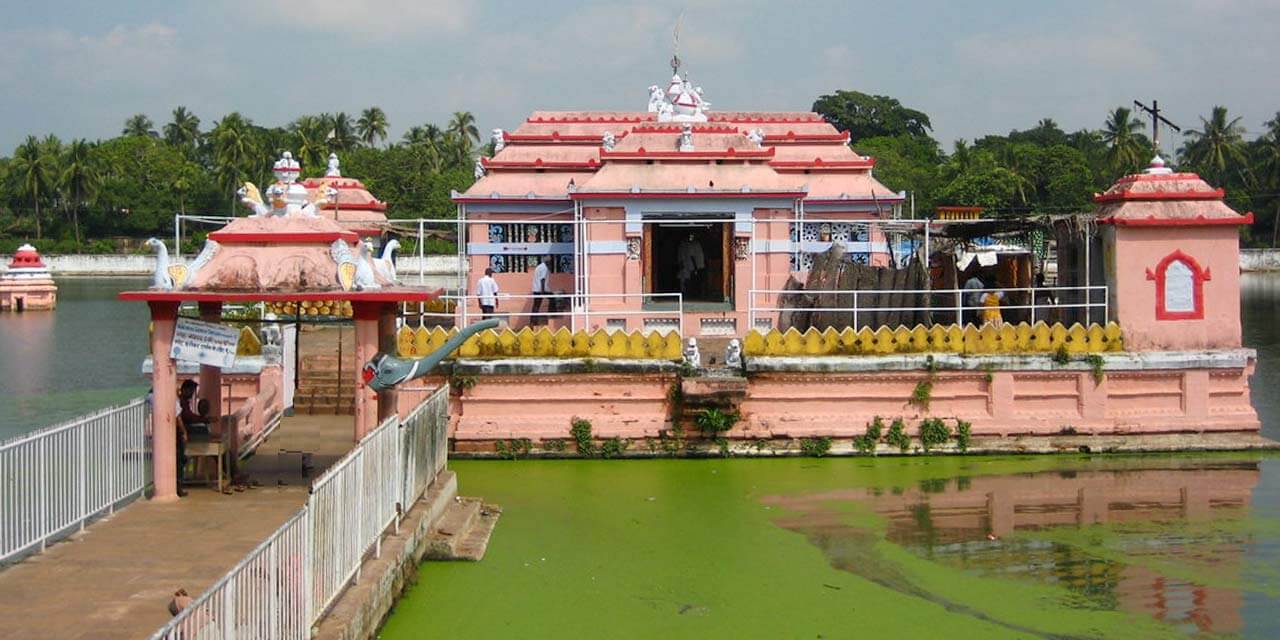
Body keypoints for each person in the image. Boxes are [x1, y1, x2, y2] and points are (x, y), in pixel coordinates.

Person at [529, 256, 551, 325]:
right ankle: (552, 314)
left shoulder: (539, 267)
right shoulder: (544, 268)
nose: (550, 260)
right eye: (549, 258)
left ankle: (533, 321)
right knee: (553, 299)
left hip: (537, 289)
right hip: (541, 289)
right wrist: (542, 291)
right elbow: (542, 279)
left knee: (536, 306)